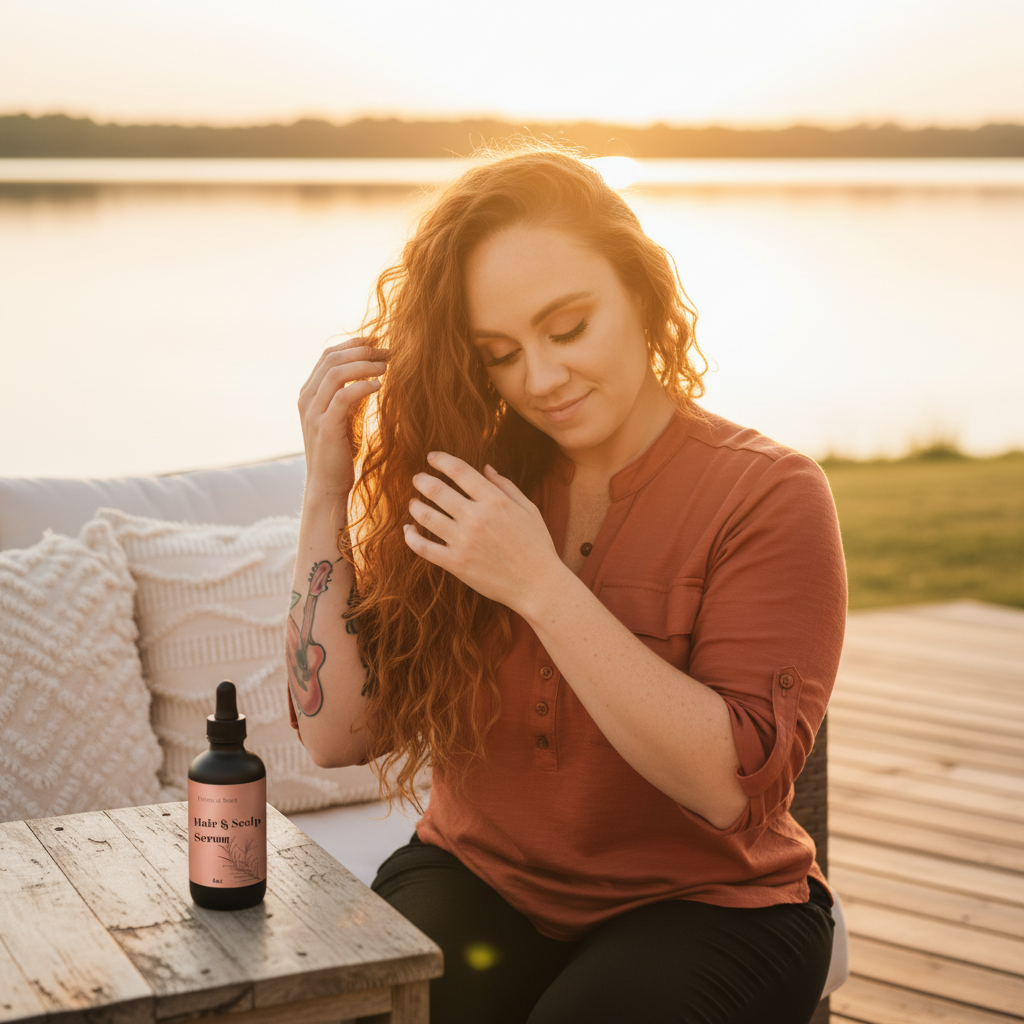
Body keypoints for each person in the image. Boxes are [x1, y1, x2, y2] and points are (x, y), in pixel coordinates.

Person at [286, 147, 847, 1024]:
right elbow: (335, 735)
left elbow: (728, 790)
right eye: (500, 353)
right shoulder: (469, 477)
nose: (541, 381)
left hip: (710, 906)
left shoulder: (770, 494)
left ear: (641, 291)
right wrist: (327, 487)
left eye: (569, 327)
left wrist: (539, 584)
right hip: (480, 880)